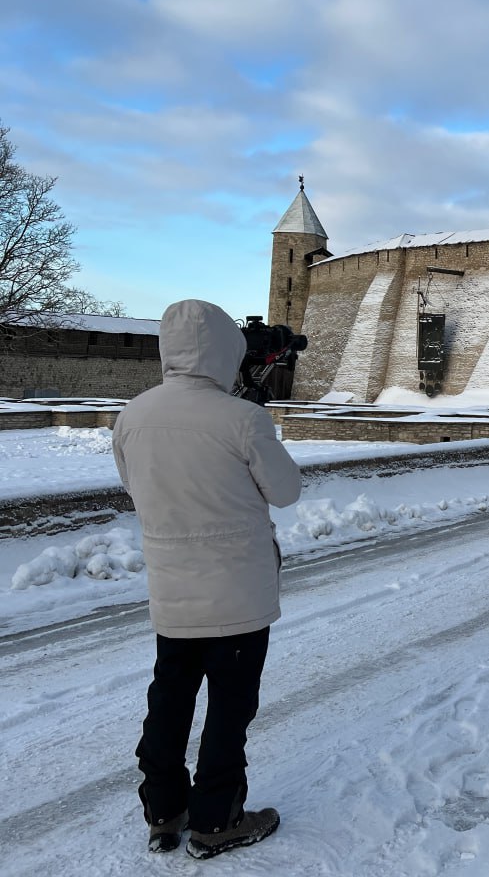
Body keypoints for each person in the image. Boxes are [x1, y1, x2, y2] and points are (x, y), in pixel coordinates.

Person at [112, 300, 301, 859]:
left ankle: (165, 810)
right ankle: (217, 819)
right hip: (238, 594)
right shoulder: (242, 419)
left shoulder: (133, 416)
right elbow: (286, 491)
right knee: (227, 710)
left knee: (169, 700)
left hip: (172, 591)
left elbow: (135, 489)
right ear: (226, 351)